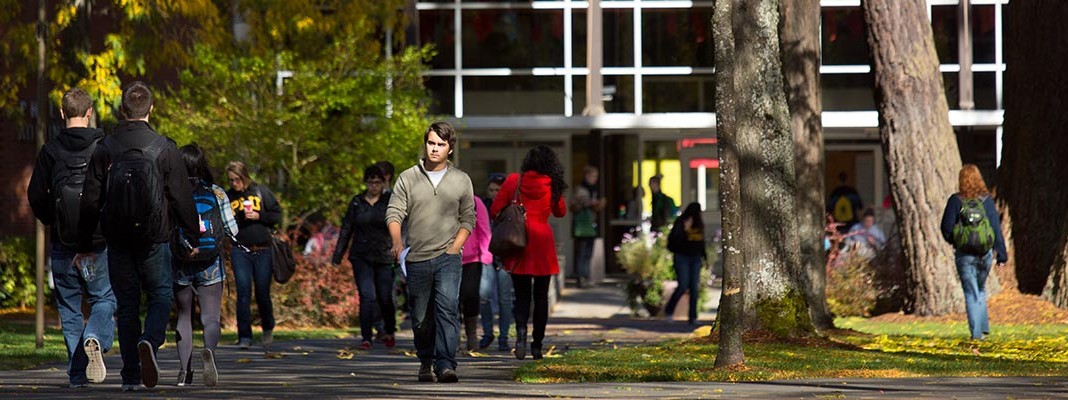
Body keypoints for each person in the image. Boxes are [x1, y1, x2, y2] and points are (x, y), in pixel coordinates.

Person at [74, 82, 200, 391]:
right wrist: (193, 234)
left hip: (117, 238)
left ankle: (130, 375)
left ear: (122, 110)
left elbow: (90, 198)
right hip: (155, 237)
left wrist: (84, 243)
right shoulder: (165, 147)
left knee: (127, 306)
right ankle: (150, 340)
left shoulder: (106, 147)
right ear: (151, 109)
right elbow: (181, 197)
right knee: (160, 295)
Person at [27, 87, 117, 388]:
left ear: (62, 113)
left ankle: (78, 375)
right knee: (104, 297)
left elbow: (36, 195)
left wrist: (53, 221)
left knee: (68, 308)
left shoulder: (50, 151)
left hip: (64, 242)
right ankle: (95, 337)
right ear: (89, 112)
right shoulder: (104, 147)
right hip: (98, 241)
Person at [386, 121, 476, 383]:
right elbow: (394, 212)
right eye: (431, 143)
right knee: (420, 318)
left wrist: (455, 248)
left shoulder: (461, 180)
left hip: (448, 257)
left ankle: (446, 364)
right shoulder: (408, 177)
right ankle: (426, 360)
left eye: (440, 144)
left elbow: (468, 217)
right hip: (417, 258)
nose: (434, 149)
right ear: (425, 144)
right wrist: (396, 241)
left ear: (450, 149)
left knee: (447, 309)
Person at [490, 145, 567, 361]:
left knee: (521, 296)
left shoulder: (514, 180)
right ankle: (537, 345)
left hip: (519, 242)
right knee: (541, 298)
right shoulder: (552, 183)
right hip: (543, 243)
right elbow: (560, 212)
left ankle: (521, 335)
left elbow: (495, 209)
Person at [172, 144, 238, 387]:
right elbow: (233, 229)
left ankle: (183, 372)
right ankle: (209, 350)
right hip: (210, 262)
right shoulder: (217, 192)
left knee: (184, 316)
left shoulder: (173, 191)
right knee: (210, 317)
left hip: (181, 261)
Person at [332, 165, 397, 350]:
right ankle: (366, 337)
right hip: (361, 255)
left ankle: (389, 330)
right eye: (371, 182)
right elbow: (347, 229)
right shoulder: (356, 202)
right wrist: (338, 254)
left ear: (383, 183)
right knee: (367, 295)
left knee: (385, 297)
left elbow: (398, 225)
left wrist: (400, 248)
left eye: (378, 182)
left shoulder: (390, 201)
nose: (374, 186)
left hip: (384, 255)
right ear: (366, 183)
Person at [940, 164, 1007, 341]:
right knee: (981, 289)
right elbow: (995, 229)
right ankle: (983, 327)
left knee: (970, 292)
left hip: (964, 254)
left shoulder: (956, 200)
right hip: (984, 254)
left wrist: (956, 240)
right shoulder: (987, 201)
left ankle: (976, 334)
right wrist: (1001, 254)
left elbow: (946, 227)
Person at [225, 161, 284, 351]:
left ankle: (267, 327)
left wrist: (260, 216)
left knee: (262, 292)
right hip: (240, 250)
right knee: (243, 292)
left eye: (237, 179)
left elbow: (277, 215)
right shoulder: (228, 196)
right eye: (231, 180)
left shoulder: (260, 191)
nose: (234, 183)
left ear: (244, 177)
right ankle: (244, 336)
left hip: (263, 249)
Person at [478, 174, 513, 351]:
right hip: (486, 255)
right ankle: (487, 332)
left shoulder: (510, 207)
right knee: (483, 296)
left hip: (505, 257)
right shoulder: (483, 205)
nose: (494, 193)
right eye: (491, 190)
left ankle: (504, 337)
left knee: (505, 299)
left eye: (497, 190)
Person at [664, 203, 707, 326]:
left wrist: (705, 258)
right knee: (683, 285)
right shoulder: (681, 222)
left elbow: (701, 242)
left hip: (695, 258)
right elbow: (673, 241)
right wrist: (685, 230)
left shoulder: (699, 224)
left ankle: (692, 317)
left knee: (694, 288)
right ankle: (669, 311)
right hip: (682, 257)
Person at [460, 195, 491, 352]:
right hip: (447, 256)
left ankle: (471, 333)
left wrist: (485, 254)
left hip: (472, 258)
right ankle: (452, 335)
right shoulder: (442, 200)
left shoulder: (475, 202)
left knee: (470, 295)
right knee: (450, 298)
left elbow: (484, 228)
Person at [571, 166, 605, 288]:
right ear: (586, 176)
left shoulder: (594, 190)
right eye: (592, 176)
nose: (594, 179)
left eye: (596, 176)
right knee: (582, 252)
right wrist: (594, 203)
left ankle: (586, 276)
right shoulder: (581, 189)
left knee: (588, 253)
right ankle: (581, 277)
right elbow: (583, 203)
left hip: (591, 226)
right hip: (582, 226)